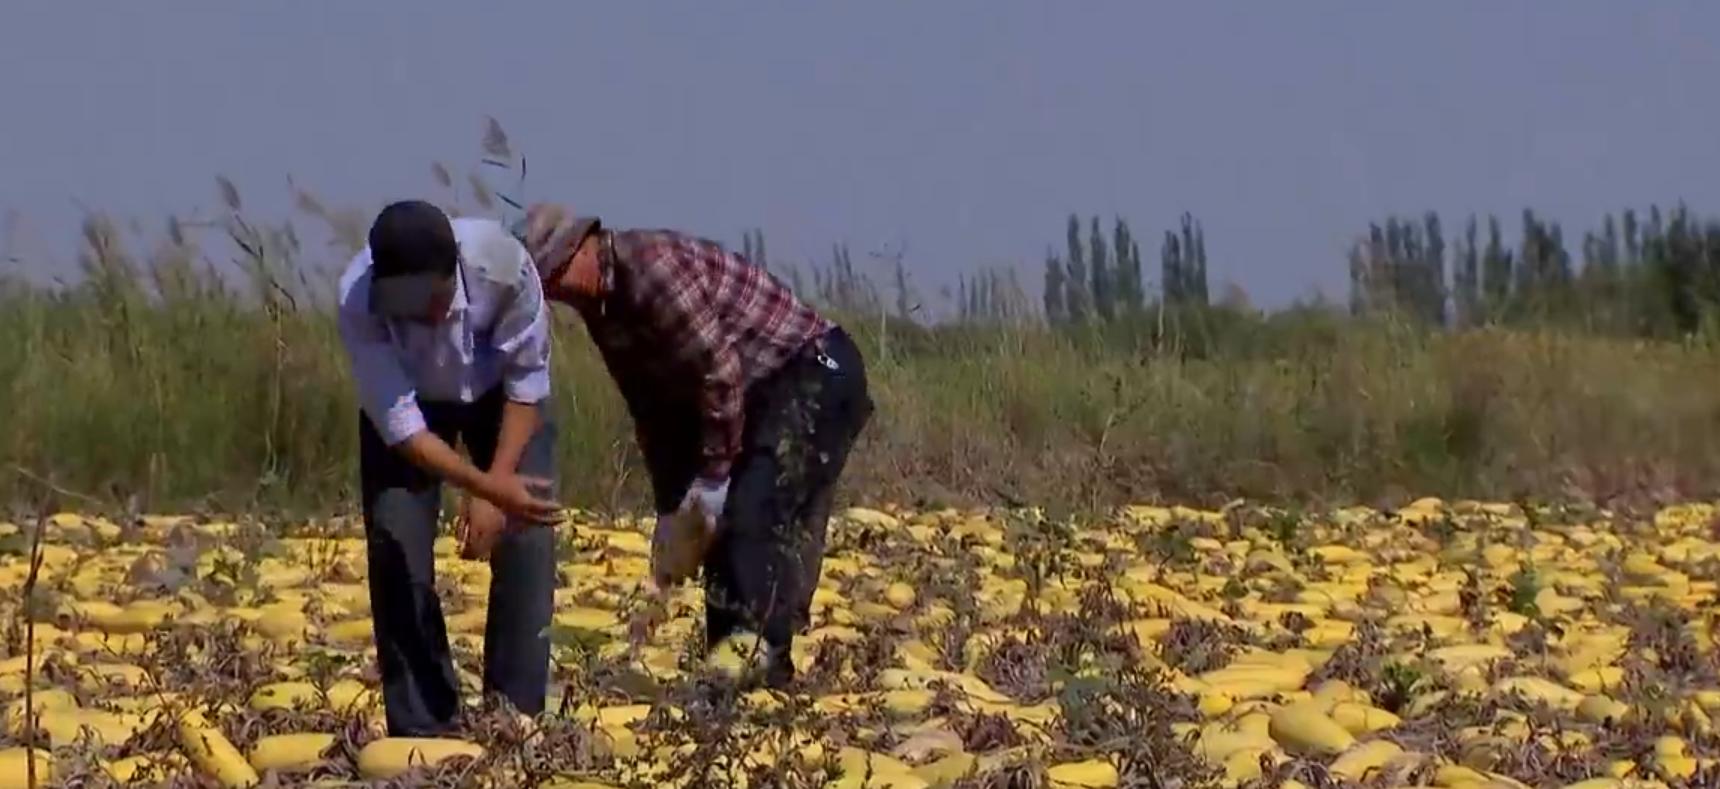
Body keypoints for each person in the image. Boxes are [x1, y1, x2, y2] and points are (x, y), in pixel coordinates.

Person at [499, 203, 873, 688]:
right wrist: (674, 508)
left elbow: (719, 377)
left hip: (811, 372)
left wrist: (715, 479)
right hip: (758, 394)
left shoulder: (653, 270)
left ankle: (762, 680)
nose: (557, 295)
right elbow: (652, 410)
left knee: (752, 517)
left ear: (582, 249)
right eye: (547, 288)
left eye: (555, 277)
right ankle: (731, 675)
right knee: (719, 534)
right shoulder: (605, 312)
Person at [335, 199, 564, 736]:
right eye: (406, 306)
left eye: (431, 300)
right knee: (395, 539)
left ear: (454, 270)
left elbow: (527, 384)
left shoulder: (502, 266)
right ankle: (424, 726)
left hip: (502, 401)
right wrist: (482, 485)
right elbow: (401, 426)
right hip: (415, 407)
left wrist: (496, 491)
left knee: (527, 534)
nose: (422, 315)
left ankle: (515, 716)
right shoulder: (357, 298)